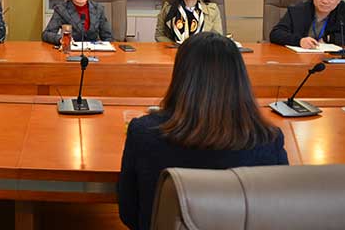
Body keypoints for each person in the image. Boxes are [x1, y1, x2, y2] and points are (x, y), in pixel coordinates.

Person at [118, 32, 288, 230]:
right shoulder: (269, 141)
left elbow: (129, 213)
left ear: (180, 77)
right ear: (240, 78)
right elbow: (278, 213)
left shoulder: (144, 133)